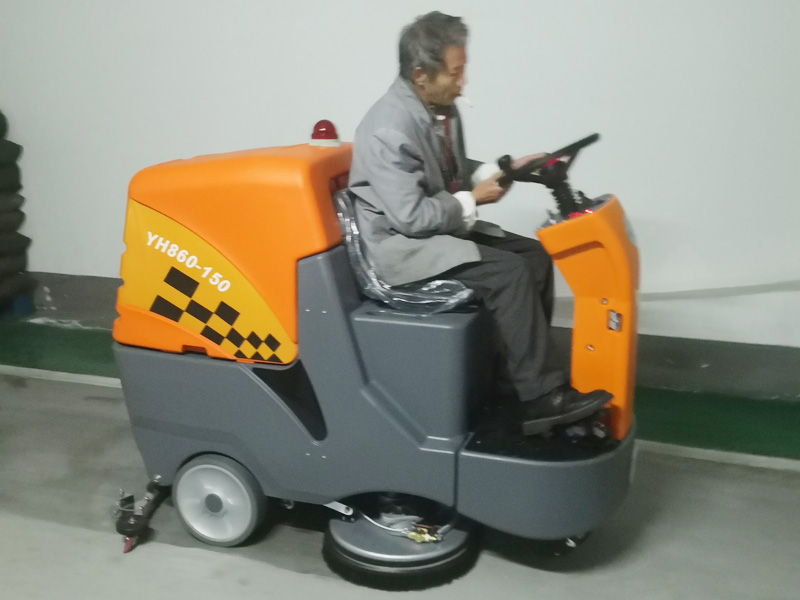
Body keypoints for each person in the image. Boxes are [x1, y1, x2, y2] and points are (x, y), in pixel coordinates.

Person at [348, 11, 610, 435]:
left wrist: (503, 170)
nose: (463, 81)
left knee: (535, 256)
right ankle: (542, 397)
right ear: (421, 75)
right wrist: (472, 199)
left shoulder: (439, 108)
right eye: (455, 73)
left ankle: (513, 380)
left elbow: (447, 168)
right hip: (402, 248)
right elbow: (412, 218)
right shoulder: (387, 129)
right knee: (509, 272)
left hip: (433, 230)